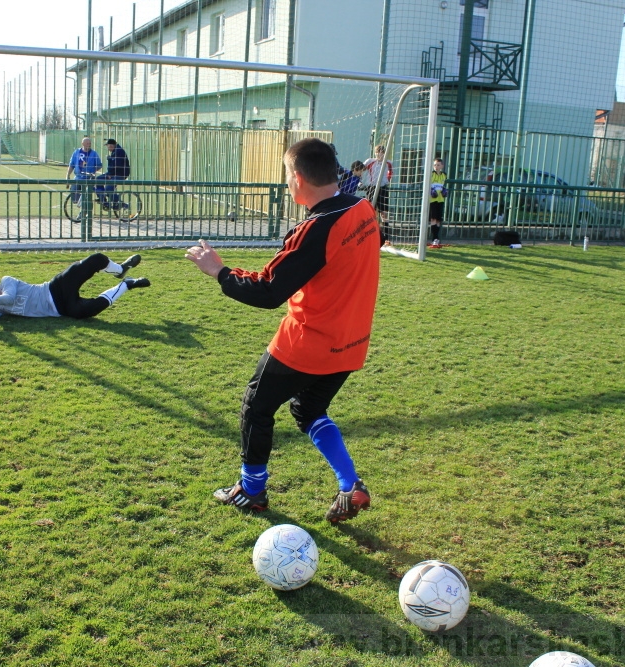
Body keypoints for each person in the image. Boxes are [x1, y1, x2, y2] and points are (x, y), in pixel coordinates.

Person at [185, 138, 382, 524]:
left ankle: (252, 490)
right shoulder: (363, 208)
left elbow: (268, 291)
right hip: (351, 343)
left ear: (296, 178)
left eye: (286, 177)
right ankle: (350, 484)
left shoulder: (316, 228)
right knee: (308, 408)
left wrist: (219, 271)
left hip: (307, 342)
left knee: (256, 406)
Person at [0, 254, 147, 324]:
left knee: (95, 259)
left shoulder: (7, 281)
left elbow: (9, 298)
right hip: (60, 310)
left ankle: (120, 270)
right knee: (91, 310)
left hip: (55, 288)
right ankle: (127, 284)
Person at [363, 144, 393, 238]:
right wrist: (360, 182)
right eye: (377, 152)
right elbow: (360, 169)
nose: (378, 154)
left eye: (381, 153)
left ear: (384, 153)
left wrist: (387, 181)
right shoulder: (370, 161)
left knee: (384, 212)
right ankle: (371, 232)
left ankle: (386, 235)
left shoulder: (388, 163)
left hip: (383, 188)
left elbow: (391, 172)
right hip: (372, 188)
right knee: (371, 211)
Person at [65, 136, 103, 206]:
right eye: (87, 143)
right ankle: (81, 204)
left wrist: (93, 170)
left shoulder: (94, 154)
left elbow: (99, 165)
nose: (89, 145)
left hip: (89, 178)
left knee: (88, 194)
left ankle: (87, 206)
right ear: (83, 143)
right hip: (78, 177)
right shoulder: (76, 152)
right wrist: (68, 175)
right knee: (74, 193)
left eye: (90, 143)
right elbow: (71, 165)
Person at [95, 139, 132, 210]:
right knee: (98, 179)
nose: (107, 148)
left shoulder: (119, 151)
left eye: (108, 146)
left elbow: (117, 166)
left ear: (111, 145)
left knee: (108, 188)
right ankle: (103, 199)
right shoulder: (115, 151)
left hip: (120, 174)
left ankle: (118, 203)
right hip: (113, 173)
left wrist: (111, 174)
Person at [429, 158, 448, 245]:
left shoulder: (444, 175)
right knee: (433, 218)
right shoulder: (431, 174)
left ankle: (436, 238)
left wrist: (444, 190)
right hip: (432, 200)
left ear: (442, 166)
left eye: (438, 165)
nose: (436, 167)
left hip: (440, 199)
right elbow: (429, 185)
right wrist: (431, 190)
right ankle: (434, 238)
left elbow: (442, 185)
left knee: (438, 220)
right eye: (435, 165)